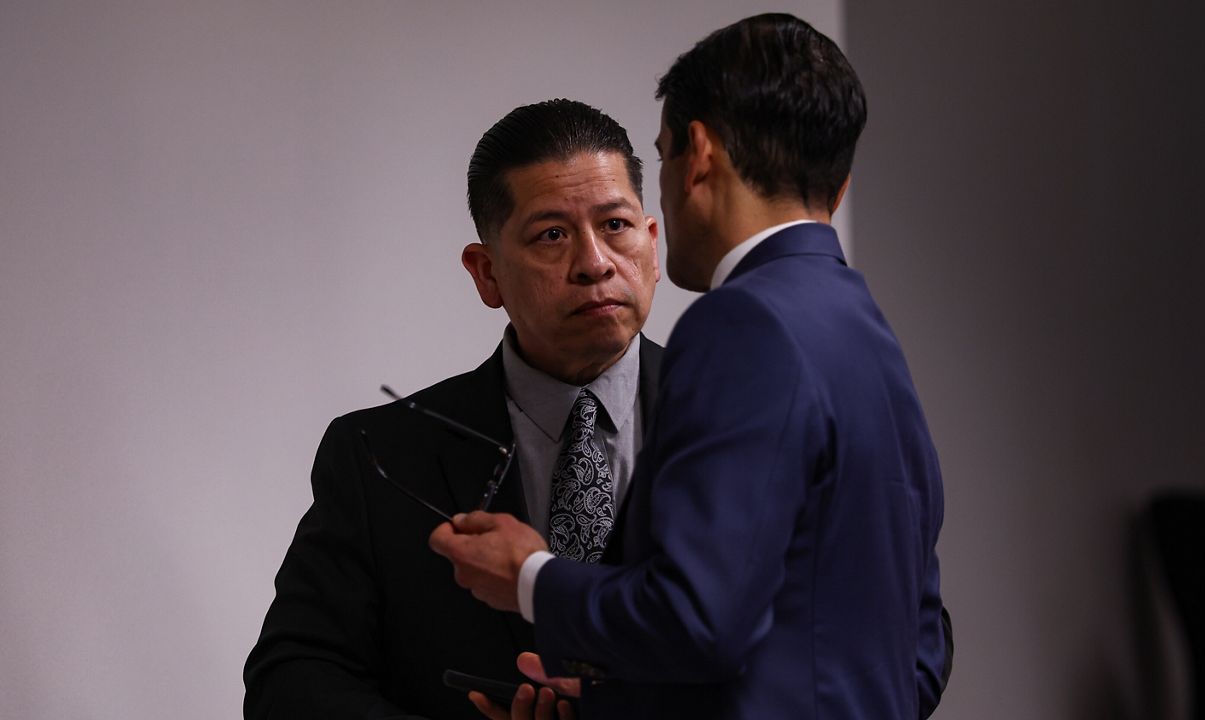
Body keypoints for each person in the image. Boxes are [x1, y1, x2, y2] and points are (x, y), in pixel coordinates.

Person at [430, 13, 951, 720]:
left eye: (662, 157)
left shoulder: (742, 323)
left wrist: (528, 577)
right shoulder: (864, 329)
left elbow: (700, 619)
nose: (597, 261)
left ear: (697, 154)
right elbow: (915, 648)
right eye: (553, 234)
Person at [243, 99, 663, 719]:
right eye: (552, 234)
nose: (595, 262)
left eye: (615, 226)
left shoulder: (751, 422)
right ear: (486, 272)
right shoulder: (378, 455)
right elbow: (292, 683)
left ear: (651, 244)